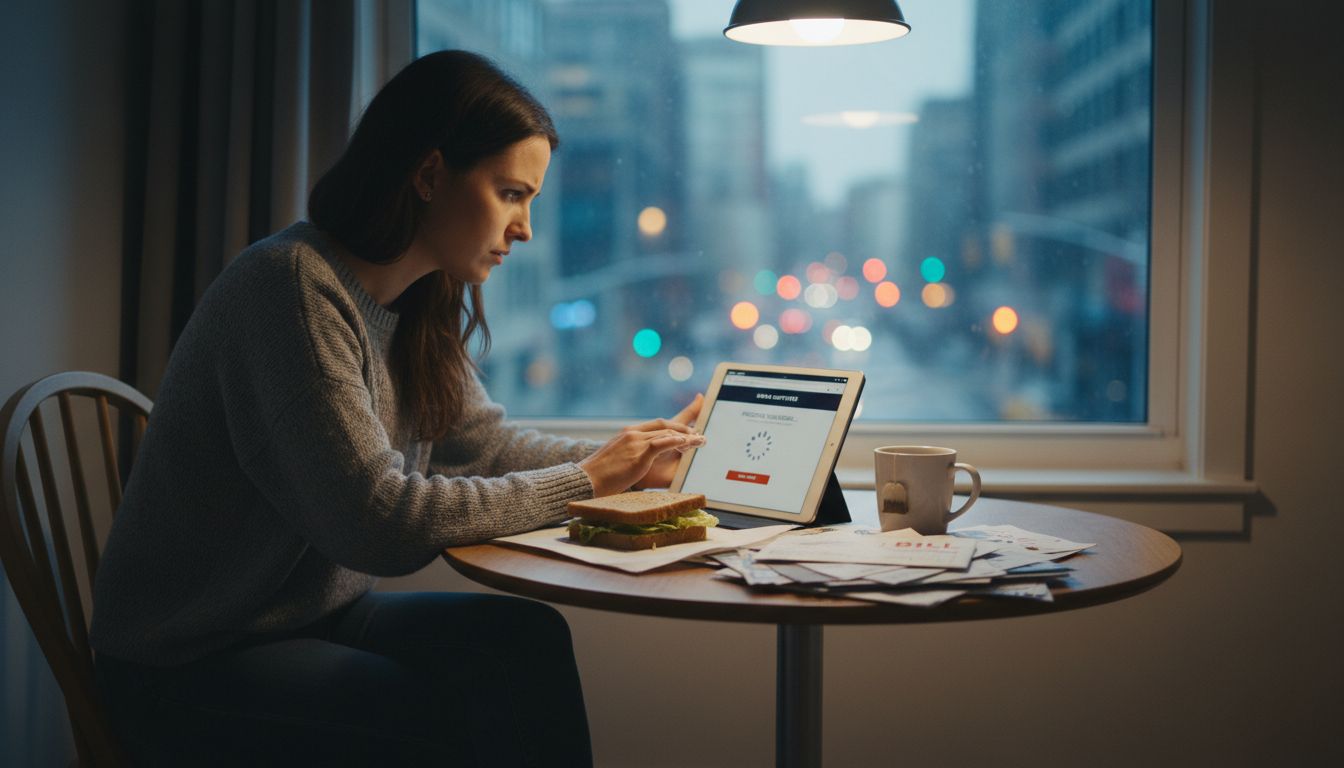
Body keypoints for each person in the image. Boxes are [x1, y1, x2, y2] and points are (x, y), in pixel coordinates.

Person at [90, 49, 703, 767]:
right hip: (187, 658)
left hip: (312, 617)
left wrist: (628, 465)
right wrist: (587, 482)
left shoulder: (420, 300)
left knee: (525, 642)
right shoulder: (290, 289)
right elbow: (377, 522)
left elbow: (483, 446)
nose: (526, 228)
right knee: (425, 715)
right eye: (511, 193)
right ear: (430, 174)